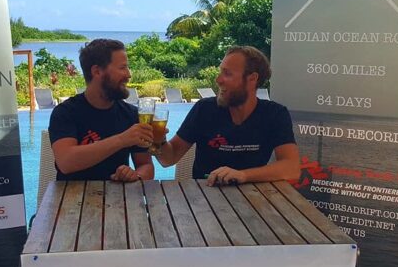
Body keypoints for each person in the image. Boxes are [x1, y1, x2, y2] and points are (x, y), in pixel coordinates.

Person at [154, 46, 299, 186]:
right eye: (220, 72)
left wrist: (243, 175)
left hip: (254, 196)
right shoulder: (204, 109)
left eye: (227, 74)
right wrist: (158, 141)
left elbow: (291, 168)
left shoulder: (274, 114)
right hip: (205, 196)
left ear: (252, 79)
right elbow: (169, 158)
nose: (218, 80)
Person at [48, 39, 154, 182]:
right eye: (122, 68)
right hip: (73, 195)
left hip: (118, 194)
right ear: (97, 71)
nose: (128, 74)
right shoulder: (66, 113)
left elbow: (146, 165)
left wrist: (137, 175)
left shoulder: (131, 114)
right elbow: (66, 162)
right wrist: (123, 139)